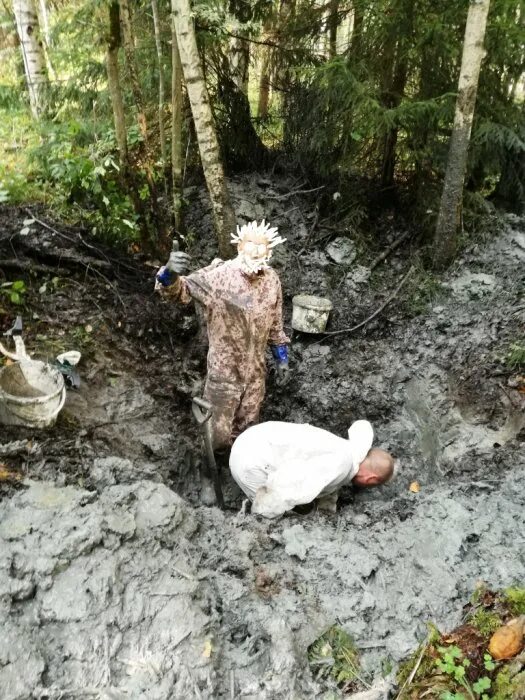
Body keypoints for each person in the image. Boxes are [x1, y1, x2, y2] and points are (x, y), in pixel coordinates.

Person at [155, 220, 290, 502]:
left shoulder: (272, 281)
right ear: (239, 246)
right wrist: (169, 272)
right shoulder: (220, 276)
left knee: (248, 432)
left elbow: (276, 324)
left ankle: (238, 474)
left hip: (255, 376)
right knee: (216, 433)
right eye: (249, 244)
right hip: (224, 374)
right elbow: (180, 290)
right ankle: (207, 474)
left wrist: (281, 358)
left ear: (269, 250)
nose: (254, 251)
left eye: (260, 245)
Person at [229, 419, 394, 518]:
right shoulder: (340, 465)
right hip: (250, 462)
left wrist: (326, 512)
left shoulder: (347, 452)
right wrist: (264, 514)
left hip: (254, 437)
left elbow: (331, 482)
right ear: (370, 479)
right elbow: (285, 486)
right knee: (273, 516)